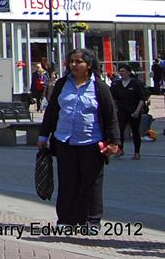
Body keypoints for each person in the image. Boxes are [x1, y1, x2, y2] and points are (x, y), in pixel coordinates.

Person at [38, 48, 120, 231]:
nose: (74, 65)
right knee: (67, 182)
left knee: (91, 183)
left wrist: (114, 142)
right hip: (64, 141)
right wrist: (44, 135)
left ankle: (91, 221)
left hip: (91, 142)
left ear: (88, 65)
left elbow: (110, 116)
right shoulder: (61, 84)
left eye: (78, 62)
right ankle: (66, 220)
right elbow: (51, 112)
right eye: (71, 61)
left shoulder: (99, 87)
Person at [110, 63, 146, 160]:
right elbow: (113, 99)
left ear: (129, 72)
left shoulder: (136, 83)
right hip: (122, 111)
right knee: (120, 131)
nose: (121, 73)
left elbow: (142, 99)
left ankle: (137, 152)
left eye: (123, 71)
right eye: (120, 71)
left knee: (135, 132)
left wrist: (137, 112)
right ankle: (120, 149)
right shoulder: (117, 84)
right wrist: (114, 109)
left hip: (134, 111)